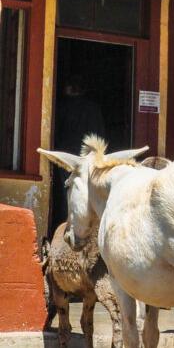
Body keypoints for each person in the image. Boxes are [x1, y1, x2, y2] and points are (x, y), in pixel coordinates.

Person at [51, 73, 105, 232]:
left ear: (68, 88)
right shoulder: (94, 109)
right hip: (88, 160)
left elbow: (54, 135)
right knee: (87, 194)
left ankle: (65, 226)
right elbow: (100, 136)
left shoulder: (61, 108)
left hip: (65, 159)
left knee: (66, 194)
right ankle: (86, 230)